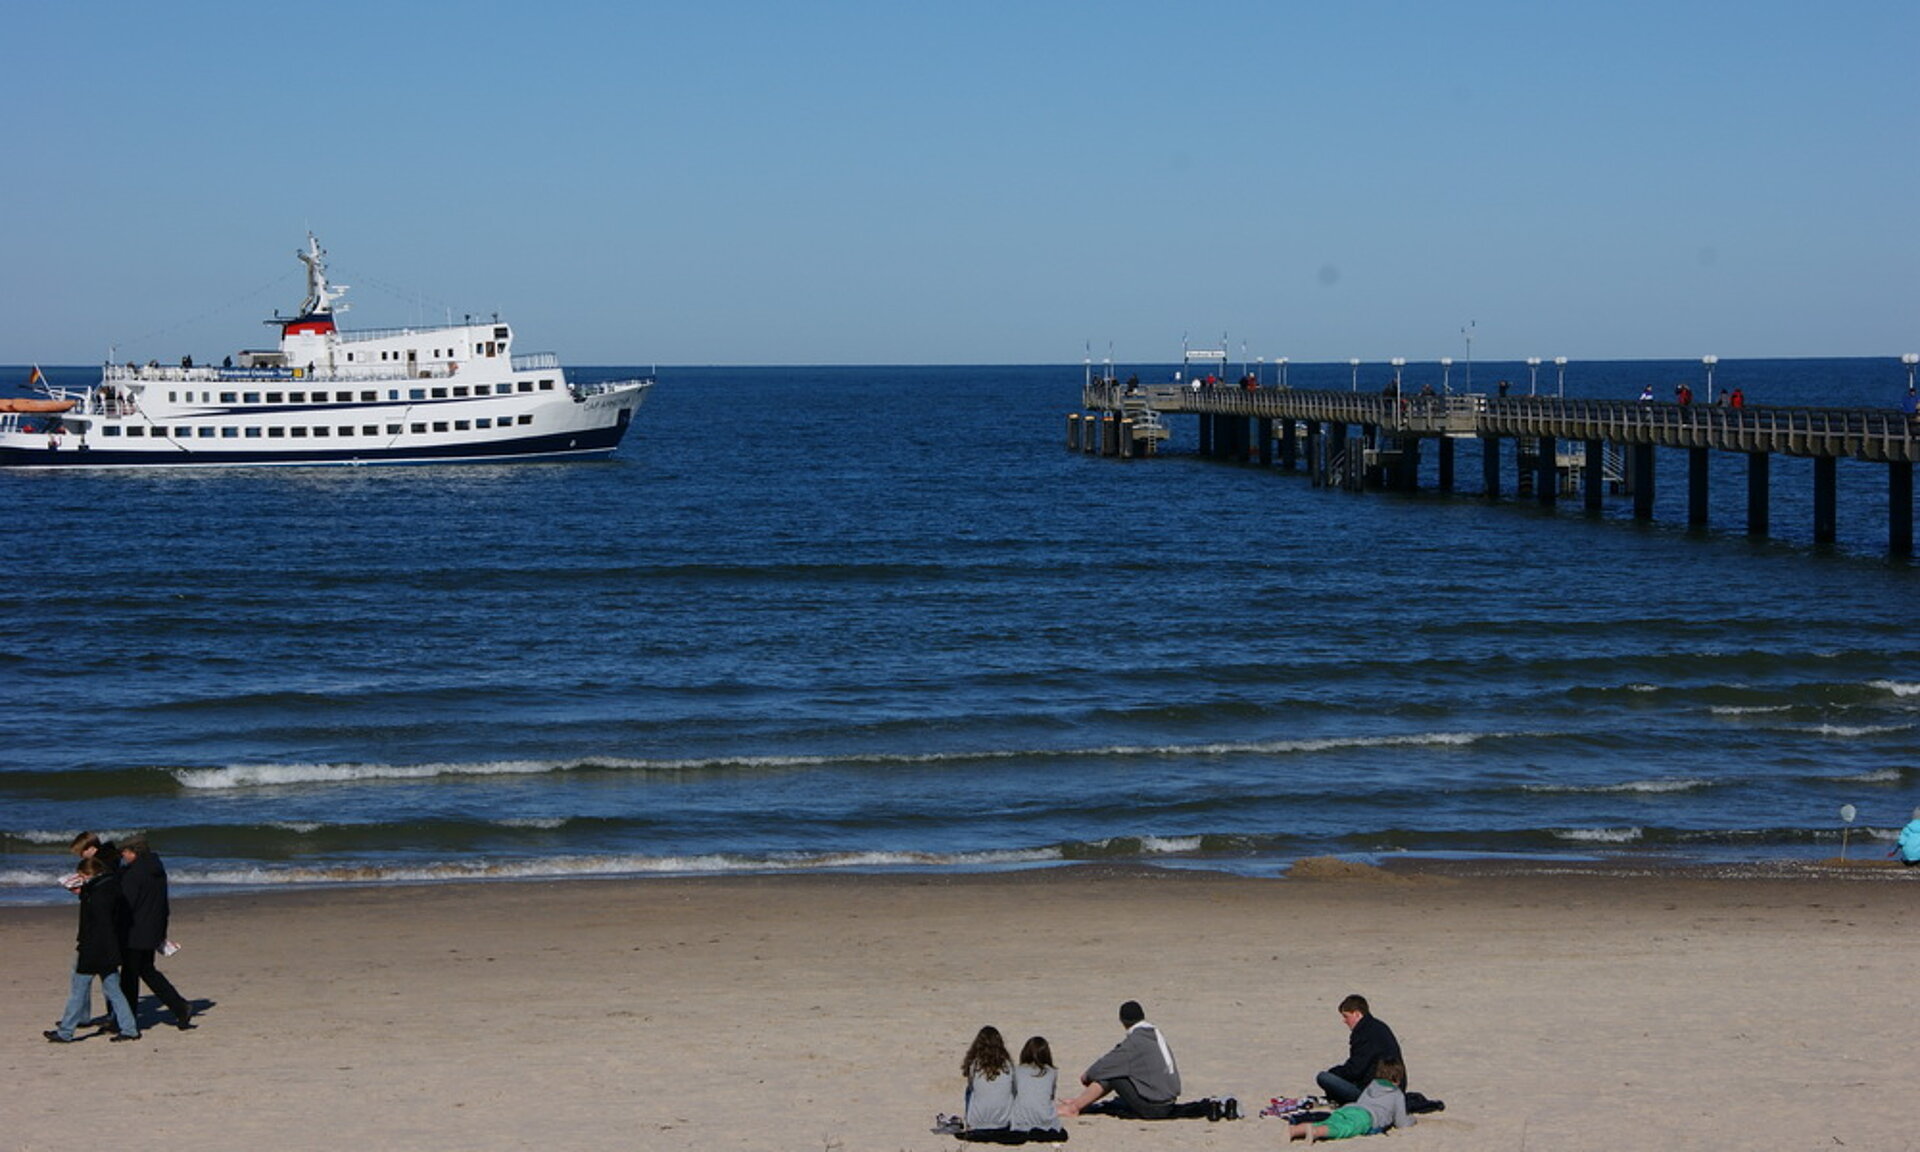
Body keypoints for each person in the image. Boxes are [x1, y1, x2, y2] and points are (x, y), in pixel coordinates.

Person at [1058, 1000, 1213, 1119]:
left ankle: (1075, 1107)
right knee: (1116, 1070)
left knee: (1112, 1075)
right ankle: (1078, 1102)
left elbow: (1104, 1066)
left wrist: (1087, 1076)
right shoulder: (1153, 1033)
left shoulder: (1135, 1042)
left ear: (1123, 1022)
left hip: (1155, 1108)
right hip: (1167, 1099)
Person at [45, 854, 139, 1043]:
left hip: (94, 948)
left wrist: (85, 945)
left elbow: (95, 924)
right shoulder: (110, 887)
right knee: (113, 990)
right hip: (108, 948)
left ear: (89, 873)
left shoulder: (97, 894)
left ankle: (65, 1031)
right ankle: (129, 1028)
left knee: (79, 990)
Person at [118, 838, 194, 1030]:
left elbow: (127, 903)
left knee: (130, 976)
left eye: (124, 853)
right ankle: (179, 1006)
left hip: (134, 929)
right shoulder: (156, 869)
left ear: (133, 852)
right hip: (152, 927)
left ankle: (128, 1019)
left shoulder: (134, 874)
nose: (123, 856)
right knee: (147, 971)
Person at [1287, 1056, 1412, 1143]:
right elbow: (1401, 1122)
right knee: (1343, 1128)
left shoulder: (1372, 1085)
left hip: (1351, 1107)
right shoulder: (1397, 1094)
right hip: (1367, 1117)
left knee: (1331, 1120)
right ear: (1398, 1078)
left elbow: (1361, 1100)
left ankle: (1295, 1131)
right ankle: (1316, 1132)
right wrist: (1412, 1120)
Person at [1316, 994, 1404, 1105]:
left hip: (1372, 1093)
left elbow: (1355, 1069)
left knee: (1323, 1077)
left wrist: (1334, 1073)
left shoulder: (1363, 1033)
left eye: (1346, 1016)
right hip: (1394, 1088)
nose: (1344, 1021)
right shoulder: (1379, 1026)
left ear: (1357, 1014)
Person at [1008, 1036, 1069, 1141]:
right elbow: (1051, 1096)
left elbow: (1013, 1094)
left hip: (1020, 1121)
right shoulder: (1052, 1072)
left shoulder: (1017, 1071)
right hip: (1046, 1120)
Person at [960, 1026, 1016, 1139]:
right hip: (1004, 1124)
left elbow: (972, 1086)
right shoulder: (1008, 1066)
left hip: (978, 1124)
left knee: (969, 1090)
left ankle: (969, 1121)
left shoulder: (975, 1065)